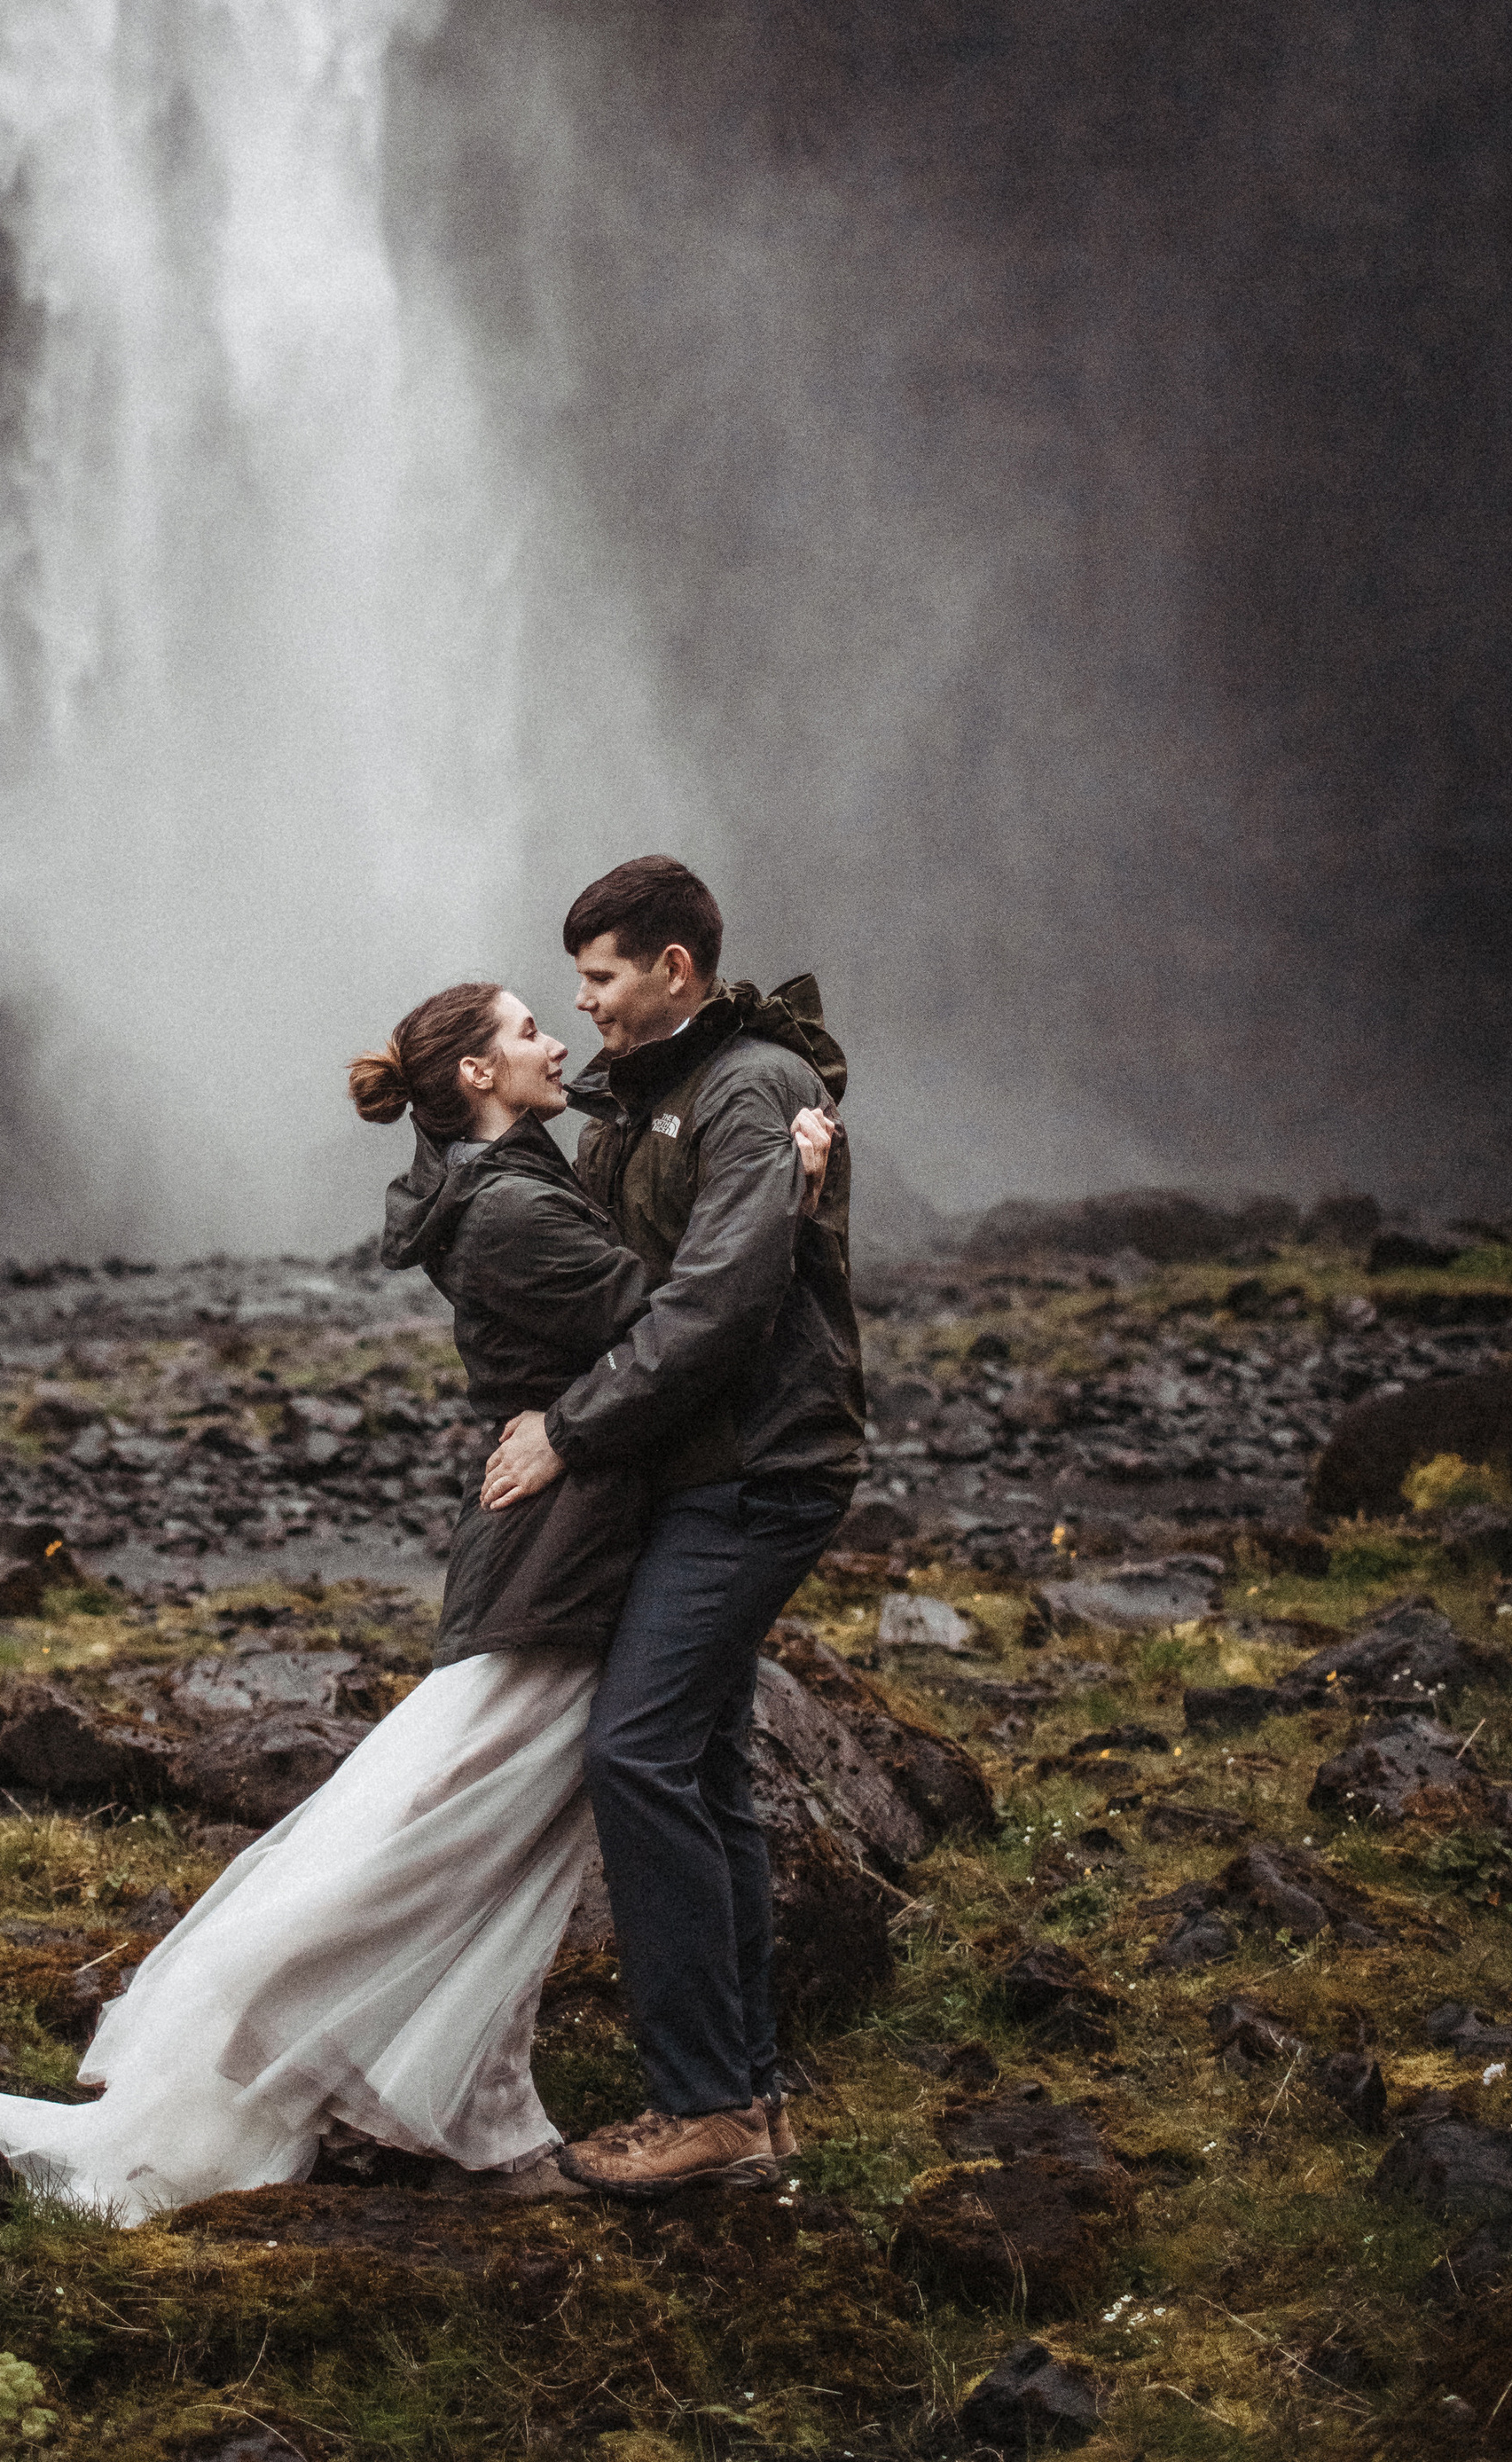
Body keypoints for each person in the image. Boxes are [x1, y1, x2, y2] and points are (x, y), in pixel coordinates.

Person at [0, 973, 834, 2223]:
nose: (558, 1037)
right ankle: (262, 2025)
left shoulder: (506, 1181)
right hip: (563, 1555)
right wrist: (783, 1197)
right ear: (475, 1074)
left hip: (564, 1545)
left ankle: (459, 2090)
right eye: (531, 1029)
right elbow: (680, 1321)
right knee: (447, 1823)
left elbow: (654, 1277)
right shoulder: (515, 1209)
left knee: (482, 1828)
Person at [479, 855, 862, 2199]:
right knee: (697, 1767)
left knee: (636, 1753)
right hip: (705, 1468)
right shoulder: (646, 1096)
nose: (582, 1006)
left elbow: (717, 1306)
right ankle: (745, 2102)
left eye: (597, 979)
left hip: (757, 1467)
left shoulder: (749, 1089)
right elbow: (589, 1247)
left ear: (673, 971)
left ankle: (703, 2106)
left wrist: (570, 1431)